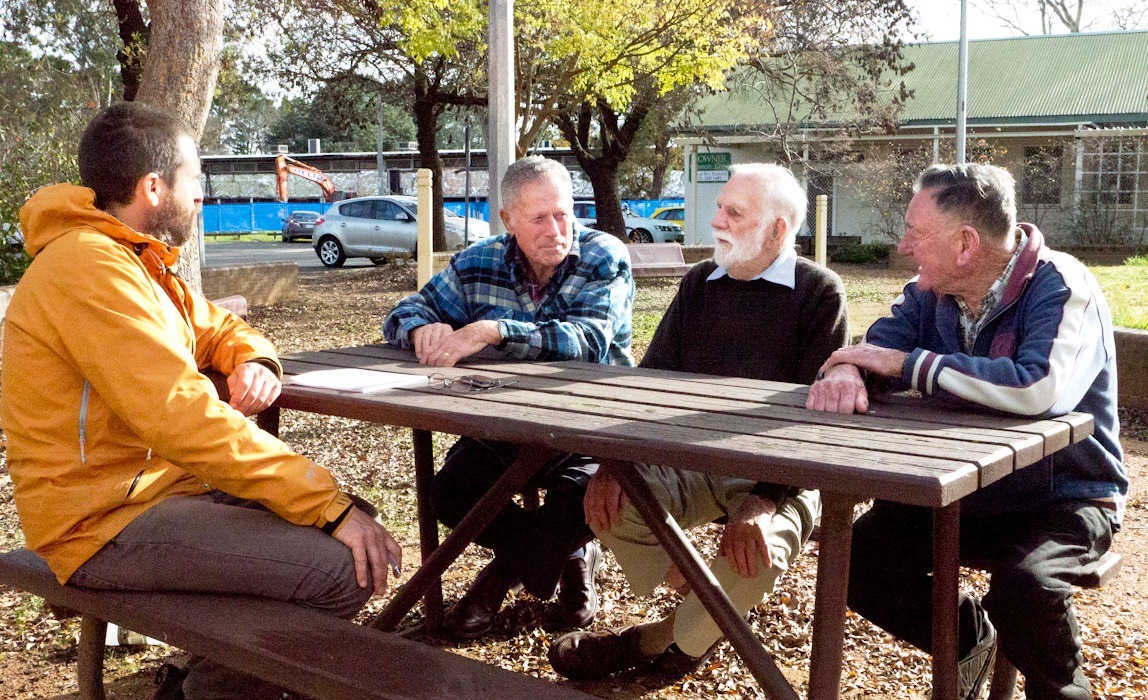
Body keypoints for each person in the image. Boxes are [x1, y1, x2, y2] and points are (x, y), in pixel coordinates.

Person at [0, 102, 402, 700]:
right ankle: (203, 690)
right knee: (344, 568)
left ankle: (193, 679)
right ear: (153, 187)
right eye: (196, 182)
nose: (202, 198)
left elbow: (218, 328)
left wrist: (254, 359)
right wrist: (323, 501)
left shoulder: (137, 261)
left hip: (155, 493)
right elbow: (182, 416)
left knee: (351, 519)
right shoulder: (88, 268)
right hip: (98, 522)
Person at [806, 163, 1127, 700]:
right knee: (854, 561)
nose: (904, 246)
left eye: (916, 232)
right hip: (964, 488)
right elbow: (877, 346)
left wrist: (910, 365)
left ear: (965, 244)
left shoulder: (1065, 285)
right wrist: (846, 366)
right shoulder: (926, 291)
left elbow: (1038, 389)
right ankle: (969, 644)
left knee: (1025, 589)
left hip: (1066, 496)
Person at [548, 163, 847, 681]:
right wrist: (616, 463)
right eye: (719, 208)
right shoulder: (699, 284)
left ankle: (657, 641)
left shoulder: (820, 292)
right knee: (606, 506)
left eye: (734, 212)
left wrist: (764, 500)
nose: (718, 221)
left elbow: (814, 424)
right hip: (691, 463)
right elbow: (650, 385)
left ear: (778, 229)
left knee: (757, 556)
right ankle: (705, 615)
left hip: (780, 476)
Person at [382, 155, 634, 638]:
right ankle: (567, 556)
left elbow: (588, 341)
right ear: (508, 220)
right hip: (506, 426)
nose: (556, 229)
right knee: (449, 493)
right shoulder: (479, 261)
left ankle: (498, 578)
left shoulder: (604, 256)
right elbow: (407, 309)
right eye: (539, 218)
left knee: (591, 498)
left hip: (594, 428)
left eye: (564, 213)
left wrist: (493, 330)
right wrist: (421, 331)